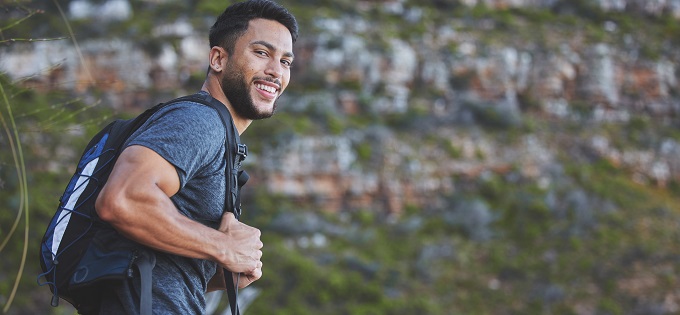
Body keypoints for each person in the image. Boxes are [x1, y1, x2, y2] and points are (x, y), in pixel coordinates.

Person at [93, 0, 298, 313]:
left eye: (285, 61)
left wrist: (226, 269)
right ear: (218, 58)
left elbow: (167, 268)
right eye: (261, 53)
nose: (275, 70)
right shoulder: (199, 122)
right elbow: (122, 200)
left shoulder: (221, 138)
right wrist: (224, 247)